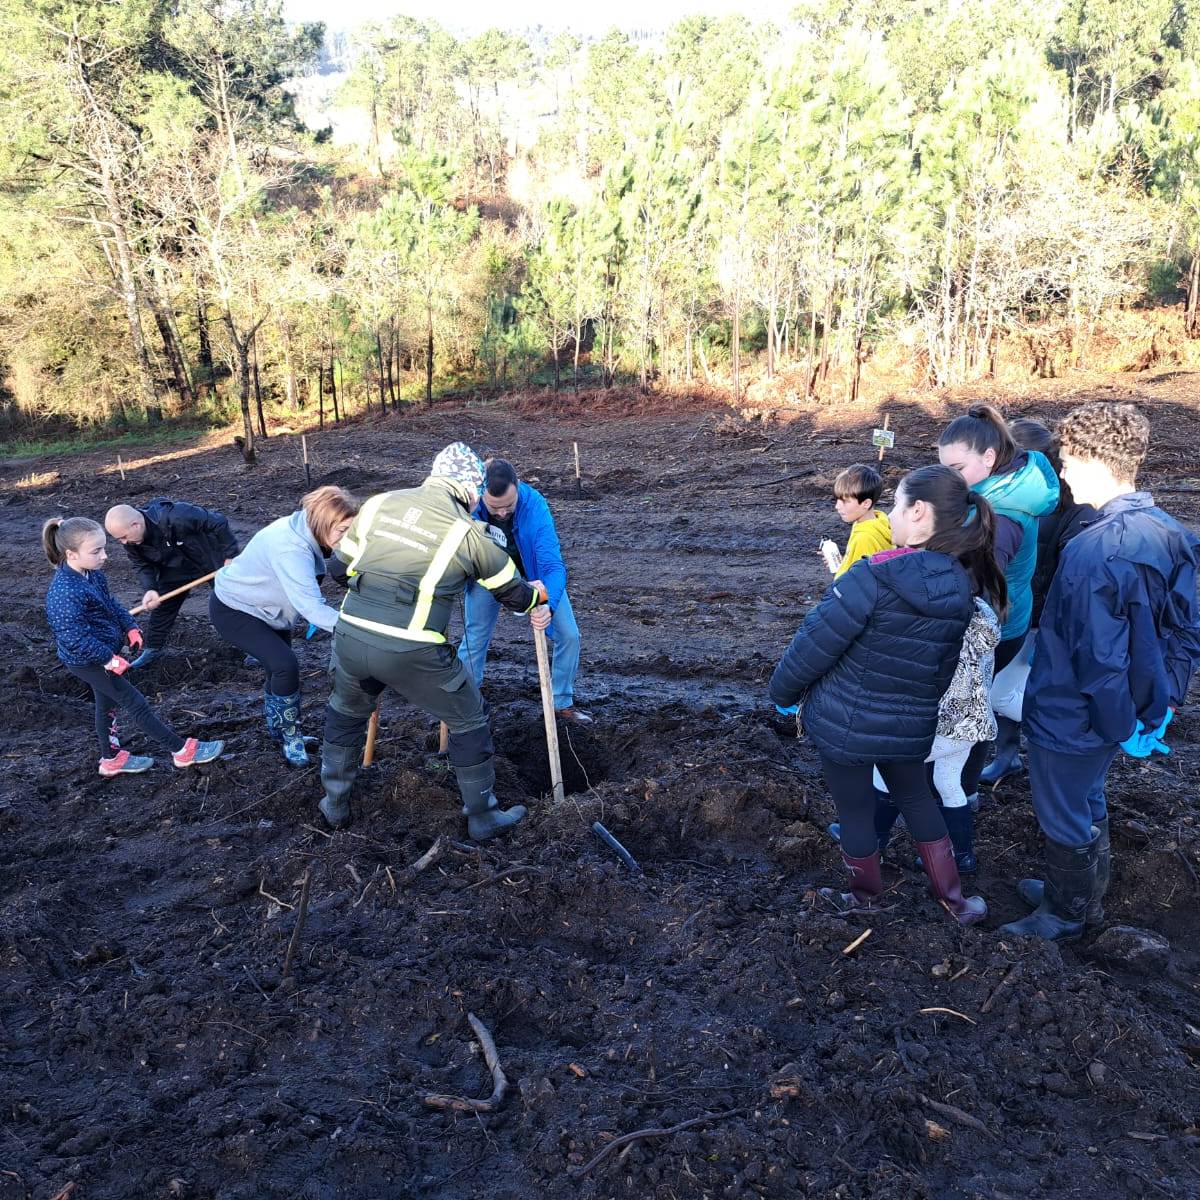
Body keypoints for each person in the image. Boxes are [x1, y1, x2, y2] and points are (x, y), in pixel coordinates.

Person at [769, 464, 1005, 925]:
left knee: (856, 812)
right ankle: (955, 903)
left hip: (846, 728)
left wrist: (782, 693)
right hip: (912, 724)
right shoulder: (959, 585)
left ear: (918, 512)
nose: (890, 515)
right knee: (917, 798)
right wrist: (918, 709)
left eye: (896, 505)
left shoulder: (870, 576)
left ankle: (865, 900)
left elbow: (813, 645)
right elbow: (941, 669)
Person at [1002, 403, 1200, 941]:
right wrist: (1159, 704)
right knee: (1088, 795)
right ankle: (1082, 896)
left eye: (1067, 459)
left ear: (1093, 458)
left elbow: (1097, 658)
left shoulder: (1092, 550)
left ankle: (1065, 914)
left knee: (1062, 809)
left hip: (1074, 711)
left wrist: (1119, 722)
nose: (1062, 471)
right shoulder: (1170, 531)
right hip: (1121, 712)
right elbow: (1187, 628)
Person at [317, 443, 547, 838]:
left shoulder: (378, 504)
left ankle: (334, 803)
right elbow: (512, 594)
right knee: (469, 719)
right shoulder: (469, 534)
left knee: (345, 713)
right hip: (413, 649)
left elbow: (338, 568)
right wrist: (537, 596)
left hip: (351, 638)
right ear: (471, 490)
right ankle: (483, 816)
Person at [938, 405, 1058, 800]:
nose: (950, 479)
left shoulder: (1001, 515)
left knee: (969, 705)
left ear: (989, 457)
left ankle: (963, 790)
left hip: (995, 626)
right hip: (1015, 616)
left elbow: (981, 587)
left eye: (956, 469)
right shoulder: (1016, 478)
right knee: (983, 697)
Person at [43, 517, 224, 776]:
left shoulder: (91, 574)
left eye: (104, 548)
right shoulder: (63, 593)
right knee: (135, 702)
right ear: (71, 554)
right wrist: (108, 659)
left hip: (101, 651)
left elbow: (111, 604)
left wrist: (129, 626)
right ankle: (182, 751)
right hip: (87, 660)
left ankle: (111, 759)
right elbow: (74, 638)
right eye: (96, 551)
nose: (104, 556)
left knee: (105, 706)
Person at [980, 418, 1098, 785]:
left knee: (1012, 691)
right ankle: (1009, 755)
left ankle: (1054, 752)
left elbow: (1071, 575)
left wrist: (1043, 621)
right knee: (1000, 685)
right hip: (1010, 610)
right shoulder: (1004, 500)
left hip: (1039, 616)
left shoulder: (1075, 509)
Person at [210, 487, 358, 767]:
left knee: (275, 668)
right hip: (236, 609)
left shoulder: (306, 527)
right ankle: (291, 738)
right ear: (322, 523)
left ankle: (278, 731)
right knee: (284, 665)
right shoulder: (291, 547)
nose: (347, 537)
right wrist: (360, 628)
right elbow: (311, 608)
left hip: (269, 611)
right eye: (342, 530)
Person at [863, 596, 1001, 873]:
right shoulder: (981, 613)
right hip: (973, 722)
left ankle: (871, 842)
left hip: (948, 724)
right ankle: (961, 856)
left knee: (885, 768)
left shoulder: (943, 630)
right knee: (947, 780)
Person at [457, 458, 589, 723]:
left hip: (534, 576)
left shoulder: (535, 506)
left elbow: (553, 566)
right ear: (480, 494)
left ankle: (560, 703)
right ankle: (463, 705)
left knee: (569, 635)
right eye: (495, 508)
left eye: (509, 505)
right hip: (488, 575)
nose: (503, 513)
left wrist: (547, 606)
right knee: (475, 636)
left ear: (517, 488)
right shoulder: (468, 509)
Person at [105, 499, 239, 668]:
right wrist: (150, 589)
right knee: (163, 607)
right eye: (119, 539)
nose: (123, 542)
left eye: (124, 537)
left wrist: (231, 555)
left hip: (209, 558)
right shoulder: (132, 541)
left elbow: (218, 521)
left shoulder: (176, 515)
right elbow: (142, 565)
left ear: (135, 524)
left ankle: (254, 645)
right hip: (175, 567)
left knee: (231, 603)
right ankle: (153, 650)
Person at [819, 463, 893, 578]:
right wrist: (844, 562)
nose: (837, 506)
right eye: (837, 499)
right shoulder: (878, 520)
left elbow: (861, 581)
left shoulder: (865, 537)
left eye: (845, 501)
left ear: (866, 503)